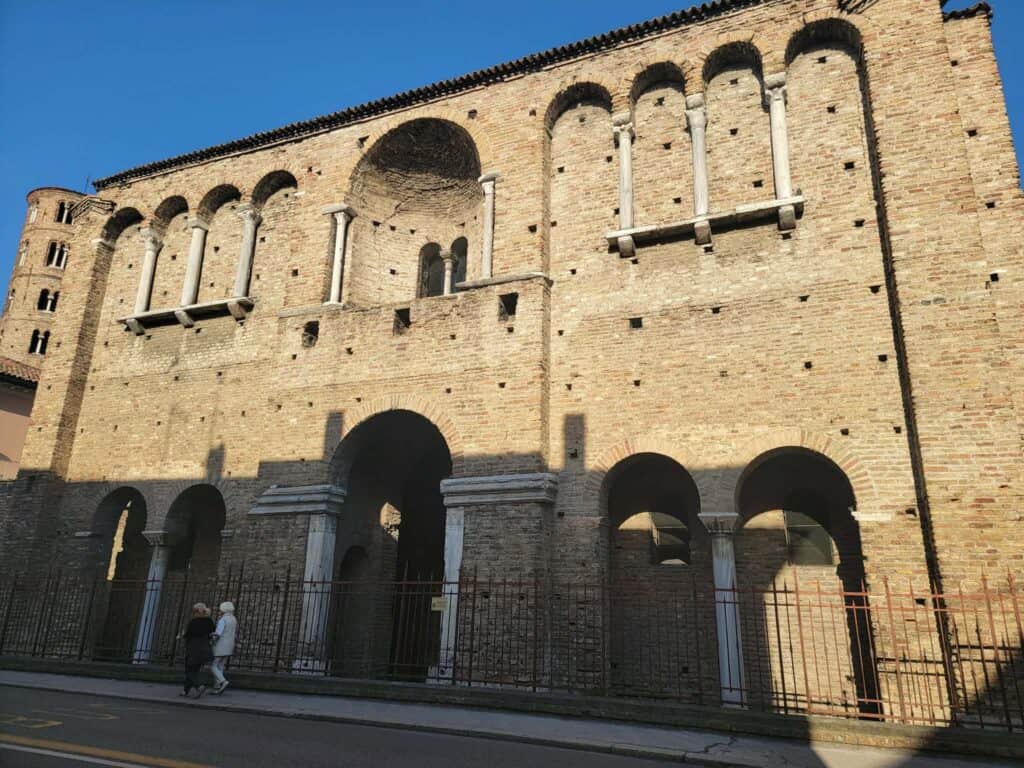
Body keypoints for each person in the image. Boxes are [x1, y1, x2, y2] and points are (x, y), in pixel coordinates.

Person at [180, 603, 214, 698]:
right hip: (205, 649)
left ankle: (199, 686)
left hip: (194, 649)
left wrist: (182, 635)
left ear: (195, 612)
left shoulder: (193, 622)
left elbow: (187, 634)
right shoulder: (209, 621)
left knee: (189, 671)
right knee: (194, 670)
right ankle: (185, 691)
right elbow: (212, 632)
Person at [210, 601, 237, 694]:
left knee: (213, 666)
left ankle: (223, 681)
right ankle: (217, 686)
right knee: (220, 666)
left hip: (220, 645)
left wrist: (211, 637)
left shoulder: (223, 620)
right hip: (229, 646)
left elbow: (218, 634)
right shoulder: (233, 619)